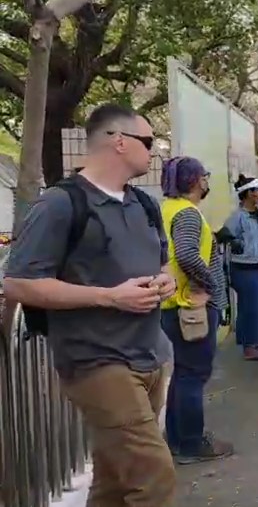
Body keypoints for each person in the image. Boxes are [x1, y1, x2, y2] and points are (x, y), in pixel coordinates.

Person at [4, 104, 178, 506]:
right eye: (148, 142)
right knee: (154, 480)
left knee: (115, 482)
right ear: (119, 141)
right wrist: (109, 296)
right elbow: (18, 283)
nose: (154, 152)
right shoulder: (61, 204)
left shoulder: (145, 204)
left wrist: (165, 279)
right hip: (97, 362)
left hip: (149, 355)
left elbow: (162, 261)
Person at [158, 156, 234, 464]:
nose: (207, 181)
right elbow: (189, 254)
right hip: (190, 309)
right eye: (205, 176)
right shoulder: (188, 214)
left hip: (170, 307)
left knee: (182, 375)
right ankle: (191, 443)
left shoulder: (165, 209)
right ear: (195, 181)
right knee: (193, 376)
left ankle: (176, 440)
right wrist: (209, 286)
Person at [223, 174, 258, 361]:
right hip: (246, 268)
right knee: (251, 307)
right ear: (247, 194)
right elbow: (225, 236)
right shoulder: (238, 217)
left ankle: (257, 343)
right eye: (256, 191)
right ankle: (250, 345)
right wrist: (237, 243)